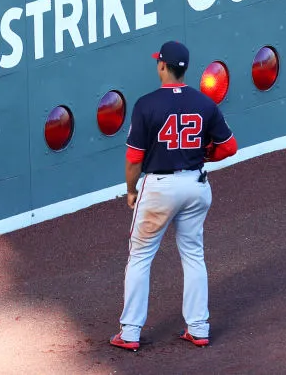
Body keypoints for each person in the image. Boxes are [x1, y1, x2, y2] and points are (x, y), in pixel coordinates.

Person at [110, 40, 238, 352]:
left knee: (140, 257)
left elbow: (133, 159)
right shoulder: (205, 103)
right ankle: (198, 327)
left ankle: (129, 333)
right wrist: (203, 156)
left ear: (162, 66)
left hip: (160, 189)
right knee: (193, 255)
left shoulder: (146, 104)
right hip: (196, 187)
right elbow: (229, 146)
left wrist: (130, 190)